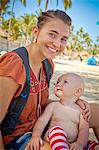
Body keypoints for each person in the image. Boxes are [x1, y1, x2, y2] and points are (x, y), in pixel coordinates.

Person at [0, 10, 98, 150]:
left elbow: (39, 103)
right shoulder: (14, 63)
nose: (57, 44)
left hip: (41, 123)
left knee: (97, 111)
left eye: (63, 39)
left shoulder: (48, 64)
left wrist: (74, 101)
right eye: (52, 34)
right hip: (18, 137)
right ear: (36, 32)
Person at [26, 73, 99, 150]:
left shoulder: (81, 111)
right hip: (53, 137)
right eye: (57, 82)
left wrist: (80, 143)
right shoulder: (53, 106)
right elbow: (42, 121)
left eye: (65, 82)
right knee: (57, 131)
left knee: (92, 145)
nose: (58, 84)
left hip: (73, 142)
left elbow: (84, 129)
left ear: (77, 91)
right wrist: (36, 136)